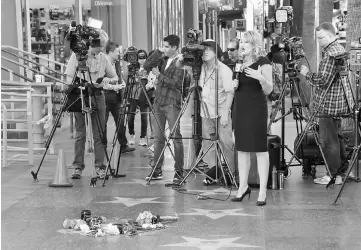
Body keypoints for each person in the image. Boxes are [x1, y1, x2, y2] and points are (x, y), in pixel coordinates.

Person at [300, 22, 354, 185]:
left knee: (328, 141)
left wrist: (307, 74)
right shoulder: (340, 50)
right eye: (318, 38)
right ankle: (343, 172)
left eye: (322, 37)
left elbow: (323, 81)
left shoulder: (331, 54)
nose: (319, 41)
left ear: (332, 35)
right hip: (338, 102)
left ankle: (333, 175)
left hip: (328, 104)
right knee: (337, 139)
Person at [64, 29, 117, 179]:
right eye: (99, 45)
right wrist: (80, 85)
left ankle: (100, 166)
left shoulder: (103, 58)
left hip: (98, 95)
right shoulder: (77, 56)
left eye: (103, 46)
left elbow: (114, 77)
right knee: (80, 133)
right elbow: (69, 78)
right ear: (91, 43)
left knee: (99, 133)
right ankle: (77, 166)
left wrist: (105, 81)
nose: (101, 48)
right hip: (81, 95)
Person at [232, 31, 273, 206]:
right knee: (241, 149)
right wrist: (234, 85)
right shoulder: (239, 63)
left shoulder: (263, 62)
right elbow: (238, 86)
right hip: (240, 108)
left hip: (256, 109)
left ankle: (262, 190)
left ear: (254, 45)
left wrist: (260, 78)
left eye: (246, 43)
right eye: (241, 42)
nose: (242, 45)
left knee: (259, 149)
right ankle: (243, 186)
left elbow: (269, 90)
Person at [145, 34, 191, 182]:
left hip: (171, 103)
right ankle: (157, 170)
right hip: (158, 102)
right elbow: (146, 66)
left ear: (174, 48)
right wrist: (158, 52)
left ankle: (179, 171)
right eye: (163, 46)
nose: (164, 49)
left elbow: (176, 83)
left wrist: (159, 76)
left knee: (176, 137)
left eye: (166, 47)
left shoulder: (181, 62)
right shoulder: (163, 59)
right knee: (158, 138)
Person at [198, 39, 236, 180]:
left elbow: (230, 92)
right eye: (203, 49)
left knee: (226, 143)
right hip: (206, 113)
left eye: (209, 49)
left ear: (216, 52)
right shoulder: (200, 68)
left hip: (221, 112)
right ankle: (214, 172)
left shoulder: (223, 70)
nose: (205, 52)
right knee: (208, 143)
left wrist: (226, 114)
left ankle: (231, 173)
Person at [104, 41, 135, 153]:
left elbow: (119, 76)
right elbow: (100, 82)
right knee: (103, 123)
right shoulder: (103, 63)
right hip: (105, 97)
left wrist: (122, 85)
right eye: (117, 52)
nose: (119, 54)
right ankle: (102, 146)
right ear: (111, 51)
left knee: (121, 121)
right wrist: (114, 87)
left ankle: (123, 144)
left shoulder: (116, 63)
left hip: (116, 98)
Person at [127, 50, 150, 146]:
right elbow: (128, 80)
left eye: (143, 58)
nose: (141, 60)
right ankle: (131, 134)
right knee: (130, 116)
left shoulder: (149, 68)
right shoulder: (132, 67)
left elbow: (151, 80)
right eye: (139, 58)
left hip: (144, 95)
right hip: (133, 94)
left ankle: (143, 137)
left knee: (144, 117)